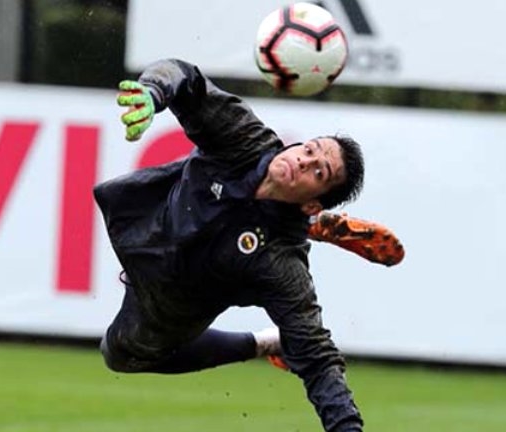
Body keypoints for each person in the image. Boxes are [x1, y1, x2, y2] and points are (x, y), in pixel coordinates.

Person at [94, 58, 398, 432]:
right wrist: (153, 92)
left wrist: (347, 427)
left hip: (174, 301)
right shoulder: (244, 139)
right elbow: (186, 78)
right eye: (309, 149)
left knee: (118, 355)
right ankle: (310, 227)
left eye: (319, 171)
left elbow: (318, 358)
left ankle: (265, 341)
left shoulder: (280, 264)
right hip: (153, 226)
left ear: (313, 201)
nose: (304, 161)